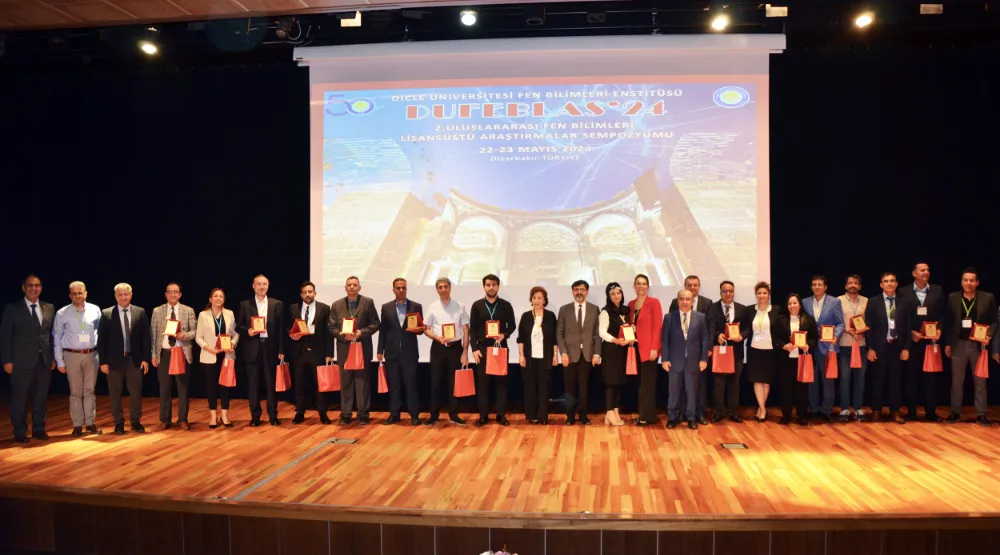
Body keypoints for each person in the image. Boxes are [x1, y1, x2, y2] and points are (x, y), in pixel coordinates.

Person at [1, 275, 56, 442]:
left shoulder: (49, 307)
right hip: (20, 361)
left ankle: (39, 428)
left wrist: (53, 357)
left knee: (41, 397)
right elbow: (5, 336)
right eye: (30, 285)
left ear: (41, 288)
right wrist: (7, 360)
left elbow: (51, 335)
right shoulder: (12, 308)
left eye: (37, 285)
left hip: (43, 361)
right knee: (20, 398)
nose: (34, 288)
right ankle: (19, 431)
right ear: (23, 288)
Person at [944, 268, 997, 426]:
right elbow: (948, 322)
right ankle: (955, 413)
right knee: (956, 381)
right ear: (961, 282)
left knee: (980, 382)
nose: (968, 283)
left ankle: (981, 415)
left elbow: (995, 320)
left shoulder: (987, 298)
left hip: (979, 346)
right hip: (958, 344)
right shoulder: (953, 298)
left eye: (972, 280)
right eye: (965, 280)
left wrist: (989, 335)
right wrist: (947, 343)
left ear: (977, 282)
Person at [97, 283, 151, 435]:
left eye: (126, 294)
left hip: (135, 360)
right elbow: (101, 340)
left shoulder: (140, 312)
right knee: (115, 394)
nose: (123, 297)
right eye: (120, 295)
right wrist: (103, 362)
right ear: (115, 296)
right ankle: (118, 423)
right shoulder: (107, 313)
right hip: (113, 362)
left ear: (131, 295)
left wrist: (146, 358)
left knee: (135, 393)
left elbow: (146, 338)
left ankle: (135, 421)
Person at [52, 281, 102, 437]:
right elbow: (56, 337)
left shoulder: (95, 309)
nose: (78, 296)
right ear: (70, 295)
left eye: (80, 293)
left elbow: (100, 332)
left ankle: (91, 423)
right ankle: (77, 425)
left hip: (91, 354)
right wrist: (59, 361)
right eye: (74, 293)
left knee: (90, 390)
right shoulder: (62, 313)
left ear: (86, 293)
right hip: (71, 355)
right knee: (75, 392)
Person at [236, 275, 286, 427]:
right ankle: (255, 416)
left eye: (265, 284)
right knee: (253, 384)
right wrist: (248, 331)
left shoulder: (277, 304)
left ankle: (273, 415)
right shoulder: (245, 304)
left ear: (268, 286)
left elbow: (281, 329)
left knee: (271, 383)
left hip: (271, 348)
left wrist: (282, 349)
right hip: (252, 348)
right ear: (253, 286)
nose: (262, 287)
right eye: (259, 284)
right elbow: (239, 326)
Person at [328, 275, 380, 425]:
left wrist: (361, 332)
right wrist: (343, 336)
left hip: (362, 348)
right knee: (346, 384)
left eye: (354, 285)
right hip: (344, 349)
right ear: (345, 287)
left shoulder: (368, 302)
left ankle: (363, 415)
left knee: (362, 384)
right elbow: (331, 326)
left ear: (359, 287)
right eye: (349, 285)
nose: (352, 287)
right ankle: (345, 415)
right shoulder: (336, 305)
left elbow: (375, 323)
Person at [898, 262, 946, 422]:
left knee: (931, 378)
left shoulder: (937, 290)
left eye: (927, 270)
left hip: (931, 342)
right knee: (911, 377)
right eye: (922, 270)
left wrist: (939, 330)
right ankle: (911, 411)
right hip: (912, 341)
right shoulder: (903, 292)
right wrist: (910, 332)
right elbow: (900, 317)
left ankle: (930, 412)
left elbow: (942, 314)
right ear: (914, 273)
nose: (926, 272)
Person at [469, 274, 517, 427]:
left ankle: (501, 415)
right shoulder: (477, 305)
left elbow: (512, 326)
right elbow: (472, 329)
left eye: (494, 285)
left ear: (498, 286)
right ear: (484, 286)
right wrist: (474, 349)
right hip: (483, 349)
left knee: (501, 384)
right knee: (483, 384)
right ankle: (483, 416)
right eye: (488, 285)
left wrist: (504, 335)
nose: (491, 287)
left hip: (500, 348)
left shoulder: (506, 305)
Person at [865, 272, 912, 424]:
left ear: (896, 284)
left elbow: (908, 327)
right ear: (881, 284)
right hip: (880, 347)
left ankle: (895, 411)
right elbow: (869, 327)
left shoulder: (904, 302)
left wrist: (906, 348)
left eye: (892, 281)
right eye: (886, 281)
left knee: (895, 381)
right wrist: (870, 348)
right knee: (877, 380)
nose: (889, 283)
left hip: (897, 346)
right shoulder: (873, 302)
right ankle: (876, 411)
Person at [150, 282, 197, 430]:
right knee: (164, 388)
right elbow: (153, 334)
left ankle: (183, 419)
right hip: (164, 353)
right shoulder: (157, 311)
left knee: (183, 388)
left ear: (180, 294)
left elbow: (195, 331)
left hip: (181, 352)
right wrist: (154, 354)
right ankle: (165, 420)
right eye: (169, 292)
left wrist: (185, 335)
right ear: (165, 294)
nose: (172, 294)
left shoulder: (188, 310)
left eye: (175, 292)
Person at [422, 277, 469, 426]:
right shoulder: (432, 307)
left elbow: (465, 329)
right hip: (438, 348)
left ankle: (454, 415)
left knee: (454, 383)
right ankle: (433, 415)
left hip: (455, 348)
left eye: (445, 286)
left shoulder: (460, 306)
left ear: (450, 288)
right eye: (440, 287)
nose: (443, 289)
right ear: (437, 290)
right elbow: (426, 329)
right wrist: (437, 338)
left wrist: (465, 352)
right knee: (435, 382)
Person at [377, 278, 424, 425]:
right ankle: (394, 414)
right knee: (394, 386)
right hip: (392, 353)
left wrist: (418, 329)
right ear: (393, 290)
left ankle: (414, 415)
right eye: (398, 288)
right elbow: (383, 331)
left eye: (404, 287)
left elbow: (420, 329)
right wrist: (380, 350)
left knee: (411, 385)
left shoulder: (416, 306)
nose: (401, 290)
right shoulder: (386, 307)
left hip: (409, 353)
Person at [668, 275, 713, 423]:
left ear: (699, 287)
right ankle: (679, 415)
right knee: (677, 388)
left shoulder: (707, 304)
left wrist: (706, 352)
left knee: (697, 387)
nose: (692, 288)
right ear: (684, 286)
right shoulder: (674, 305)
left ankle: (697, 414)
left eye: (695, 285)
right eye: (689, 285)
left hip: (697, 354)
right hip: (678, 356)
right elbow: (669, 332)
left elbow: (709, 330)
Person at [661, 290, 709, 429]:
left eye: (688, 299)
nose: (685, 302)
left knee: (692, 391)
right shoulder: (669, 317)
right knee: (674, 392)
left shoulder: (700, 317)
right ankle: (672, 417)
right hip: (674, 360)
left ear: (692, 301)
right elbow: (665, 340)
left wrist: (704, 359)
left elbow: (704, 339)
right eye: (682, 299)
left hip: (693, 361)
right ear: (678, 301)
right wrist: (665, 359)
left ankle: (691, 418)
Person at [556, 280, 601, 425]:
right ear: (572, 291)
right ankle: (570, 417)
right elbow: (560, 333)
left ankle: (583, 416)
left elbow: (597, 334)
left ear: (587, 291)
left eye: (582, 289)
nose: (579, 292)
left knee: (584, 388)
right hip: (569, 355)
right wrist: (563, 353)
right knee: (569, 389)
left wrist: (597, 353)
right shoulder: (564, 309)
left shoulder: (595, 309)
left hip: (587, 355)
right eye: (576, 289)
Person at [289, 281, 334, 425]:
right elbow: (287, 328)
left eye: (310, 292)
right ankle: (300, 412)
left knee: (320, 384)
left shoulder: (324, 308)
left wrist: (329, 353)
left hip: (318, 352)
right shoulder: (293, 308)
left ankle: (323, 413)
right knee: (299, 384)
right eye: (305, 292)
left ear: (315, 293)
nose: (307, 294)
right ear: (301, 295)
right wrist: (292, 336)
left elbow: (328, 333)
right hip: (299, 352)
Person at [801, 275, 844, 423]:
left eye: (820, 284)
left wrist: (835, 336)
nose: (817, 287)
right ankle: (814, 409)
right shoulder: (804, 302)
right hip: (810, 346)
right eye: (814, 284)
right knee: (811, 380)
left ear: (825, 287)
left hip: (828, 347)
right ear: (811, 287)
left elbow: (840, 323)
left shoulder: (834, 302)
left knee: (828, 381)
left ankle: (827, 410)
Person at [707, 281, 749, 423]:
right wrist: (716, 336)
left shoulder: (742, 309)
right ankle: (718, 411)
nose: (728, 294)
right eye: (725, 291)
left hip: (736, 352)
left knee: (734, 383)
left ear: (734, 292)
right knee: (718, 383)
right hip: (719, 351)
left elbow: (747, 328)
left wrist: (742, 336)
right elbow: (708, 328)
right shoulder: (712, 308)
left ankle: (733, 412)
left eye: (730, 291)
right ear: (720, 293)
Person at [195, 288, 237, 428]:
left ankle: (224, 416)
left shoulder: (229, 313)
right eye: (215, 296)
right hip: (210, 355)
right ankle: (213, 417)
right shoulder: (203, 315)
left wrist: (232, 343)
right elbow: (198, 337)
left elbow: (235, 333)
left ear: (224, 299)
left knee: (225, 386)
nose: (218, 298)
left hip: (226, 355)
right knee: (211, 386)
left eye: (221, 296)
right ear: (210, 299)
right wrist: (208, 348)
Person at [517, 286, 558, 425]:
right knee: (530, 387)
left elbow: (554, 339)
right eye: (534, 298)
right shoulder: (526, 316)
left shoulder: (550, 316)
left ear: (544, 300)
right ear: (531, 299)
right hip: (529, 358)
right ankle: (532, 415)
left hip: (545, 358)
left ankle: (543, 416)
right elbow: (521, 338)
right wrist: (521, 356)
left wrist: (555, 355)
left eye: (540, 298)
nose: (537, 300)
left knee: (544, 387)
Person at [774, 293, 817, 426]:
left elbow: (814, 339)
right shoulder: (780, 320)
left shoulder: (808, 319)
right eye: (789, 303)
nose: (792, 306)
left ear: (800, 305)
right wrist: (783, 345)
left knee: (802, 389)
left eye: (795, 303)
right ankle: (786, 415)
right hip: (785, 360)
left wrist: (807, 345)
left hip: (802, 359)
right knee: (786, 388)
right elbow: (775, 338)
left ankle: (801, 416)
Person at [628, 274, 663, 426]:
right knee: (640, 384)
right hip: (634, 349)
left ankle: (648, 417)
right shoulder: (631, 304)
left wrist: (655, 348)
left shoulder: (654, 302)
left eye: (644, 283)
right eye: (638, 283)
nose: (641, 286)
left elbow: (658, 327)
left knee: (648, 384)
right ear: (634, 286)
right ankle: (642, 414)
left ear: (647, 286)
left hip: (649, 350)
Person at [837, 275, 869, 422]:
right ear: (845, 286)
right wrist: (846, 330)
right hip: (844, 345)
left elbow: (870, 321)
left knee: (860, 378)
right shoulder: (838, 301)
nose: (853, 285)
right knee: (845, 378)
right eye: (850, 283)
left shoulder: (866, 301)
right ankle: (844, 408)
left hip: (861, 346)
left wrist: (864, 331)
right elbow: (836, 321)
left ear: (860, 286)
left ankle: (858, 408)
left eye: (856, 283)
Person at [598, 282, 631, 427]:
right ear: (608, 296)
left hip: (623, 350)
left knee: (619, 382)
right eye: (613, 294)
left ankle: (614, 412)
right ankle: (610, 411)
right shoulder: (606, 311)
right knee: (611, 382)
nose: (616, 296)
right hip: (611, 350)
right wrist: (615, 340)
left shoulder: (626, 310)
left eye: (618, 293)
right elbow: (602, 332)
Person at [746, 282, 779, 422]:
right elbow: (746, 329)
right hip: (754, 349)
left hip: (770, 350)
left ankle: (761, 408)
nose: (762, 295)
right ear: (756, 295)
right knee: (757, 380)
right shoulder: (749, 310)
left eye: (765, 293)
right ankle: (763, 409)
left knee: (766, 381)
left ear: (769, 295)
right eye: (759, 293)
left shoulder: (776, 310)